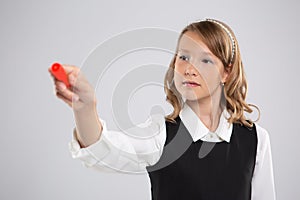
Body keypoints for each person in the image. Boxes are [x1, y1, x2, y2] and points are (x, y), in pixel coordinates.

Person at [49, 18, 276, 200]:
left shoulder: (256, 139)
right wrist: (86, 108)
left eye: (205, 60)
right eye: (184, 57)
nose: (189, 69)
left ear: (226, 72)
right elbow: (106, 153)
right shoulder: (161, 134)